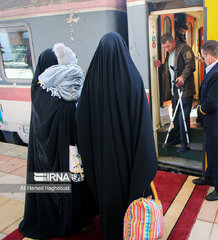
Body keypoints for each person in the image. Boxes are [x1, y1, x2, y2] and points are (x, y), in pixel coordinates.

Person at [76, 32, 158, 239]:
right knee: (126, 194)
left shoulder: (91, 83)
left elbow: (81, 122)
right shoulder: (132, 80)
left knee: (107, 193)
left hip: (101, 160)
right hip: (128, 159)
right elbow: (142, 125)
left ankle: (110, 229)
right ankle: (130, 227)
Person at [19, 44, 96, 239]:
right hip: (52, 153)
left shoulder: (45, 86)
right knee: (61, 187)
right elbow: (59, 115)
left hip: (55, 149)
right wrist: (73, 108)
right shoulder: (43, 88)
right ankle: (65, 224)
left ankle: (73, 219)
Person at [193, 40, 218, 201]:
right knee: (210, 150)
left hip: (216, 122)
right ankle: (209, 177)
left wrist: (199, 111)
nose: (203, 61)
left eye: (203, 58)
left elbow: (211, 102)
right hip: (213, 122)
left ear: (209, 56)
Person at [154, 33, 195, 152]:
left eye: (168, 46)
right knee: (176, 116)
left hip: (185, 91)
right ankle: (177, 138)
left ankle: (185, 143)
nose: (166, 49)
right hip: (174, 91)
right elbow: (168, 70)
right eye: (165, 47)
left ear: (173, 42)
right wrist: (161, 66)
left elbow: (190, 65)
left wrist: (183, 77)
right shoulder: (169, 54)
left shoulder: (184, 48)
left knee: (183, 116)